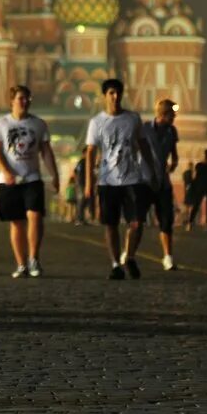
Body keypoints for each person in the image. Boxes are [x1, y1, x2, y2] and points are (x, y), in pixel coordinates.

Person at [84, 79, 155, 280]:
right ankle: (116, 264)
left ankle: (130, 256)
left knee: (137, 222)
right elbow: (91, 152)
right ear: (104, 96)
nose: (115, 97)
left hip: (132, 178)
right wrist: (89, 182)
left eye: (118, 93)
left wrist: (152, 171)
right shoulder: (97, 122)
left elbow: (143, 145)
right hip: (107, 181)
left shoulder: (133, 119)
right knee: (111, 224)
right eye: (112, 93)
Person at [0, 85, 59, 278]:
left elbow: (46, 151)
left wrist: (54, 175)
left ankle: (34, 259)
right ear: (12, 100)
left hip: (32, 178)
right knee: (17, 223)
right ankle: (21, 264)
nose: (24, 102)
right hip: (9, 181)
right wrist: (6, 171)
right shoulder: (1, 124)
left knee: (35, 216)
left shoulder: (38, 124)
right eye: (20, 98)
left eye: (27, 98)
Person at [137, 98, 180, 271]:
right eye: (171, 114)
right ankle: (129, 252)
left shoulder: (172, 131)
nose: (174, 117)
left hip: (163, 182)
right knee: (137, 220)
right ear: (162, 114)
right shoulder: (145, 129)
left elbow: (174, 153)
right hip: (145, 181)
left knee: (166, 221)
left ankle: (167, 257)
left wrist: (174, 162)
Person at [187, 151, 207, 229]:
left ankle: (193, 222)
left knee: (200, 204)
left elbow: (195, 176)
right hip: (205, 185)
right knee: (201, 204)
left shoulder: (201, 165)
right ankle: (202, 223)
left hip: (203, 186)